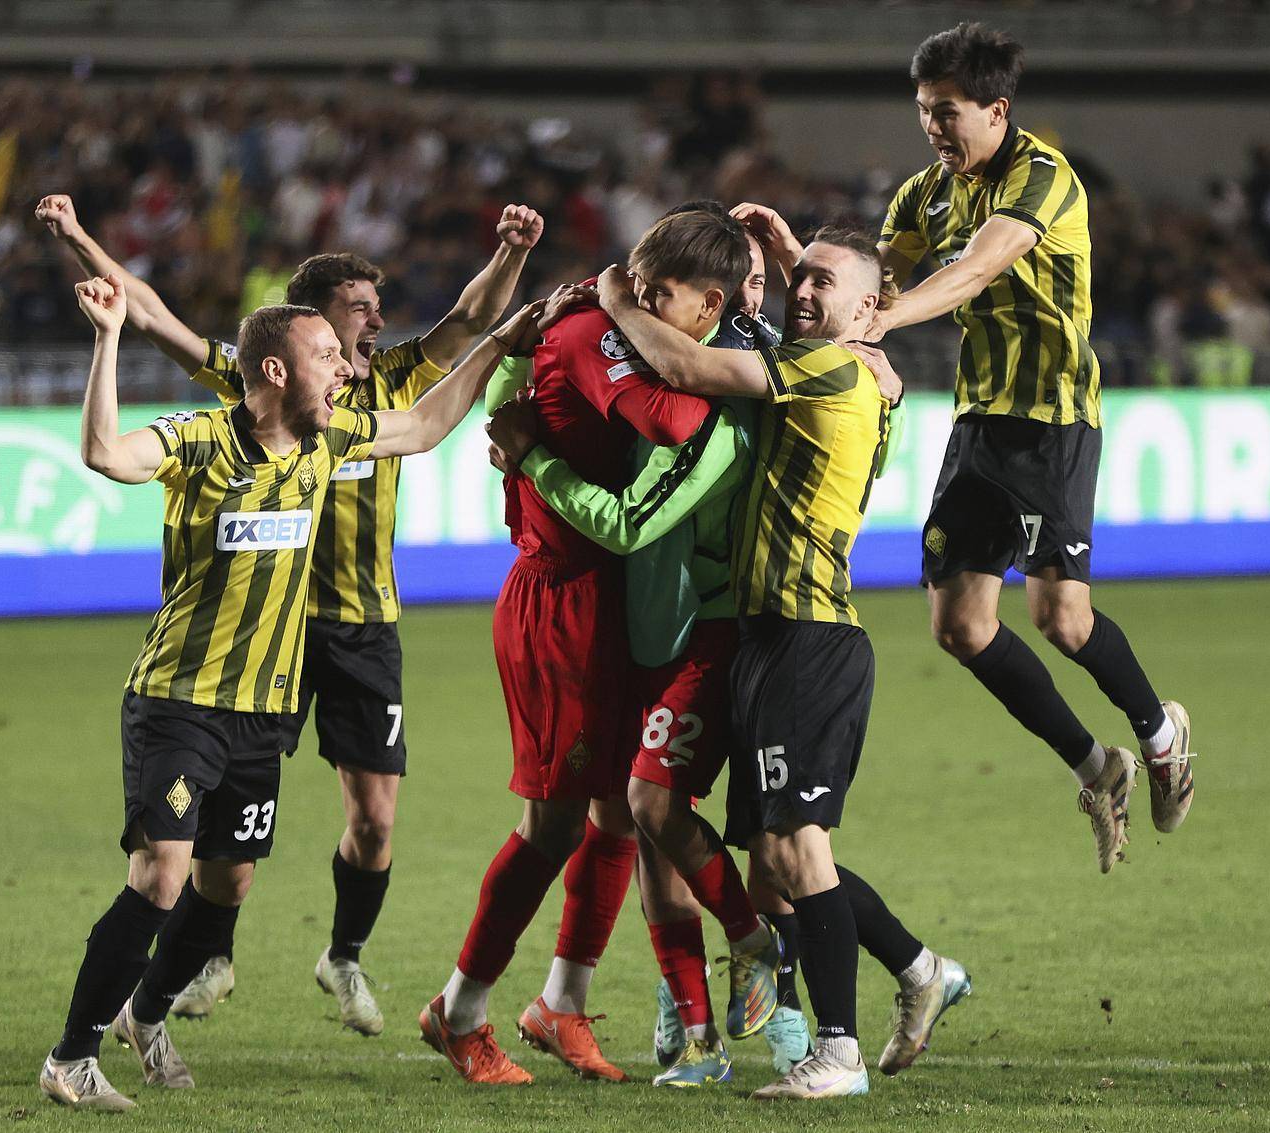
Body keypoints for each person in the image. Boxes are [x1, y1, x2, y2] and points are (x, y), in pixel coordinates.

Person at [38, 275, 545, 1111]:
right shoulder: (201, 439)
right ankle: (71, 1057)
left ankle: (145, 1013)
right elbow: (105, 454)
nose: (345, 369)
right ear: (274, 370)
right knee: (161, 873)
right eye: (326, 357)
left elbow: (422, 426)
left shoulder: (326, 442)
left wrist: (496, 344)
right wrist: (107, 340)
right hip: (180, 699)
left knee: (225, 885)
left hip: (261, 711)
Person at [593, 215, 969, 1098]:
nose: (801, 291)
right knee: (777, 863)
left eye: (819, 283)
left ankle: (837, 1052)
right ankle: (919, 970)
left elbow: (686, 367)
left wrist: (615, 298)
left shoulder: (830, 367)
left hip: (810, 637)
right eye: (798, 278)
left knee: (798, 850)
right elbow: (809, 323)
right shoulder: (852, 370)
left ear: (868, 311)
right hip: (769, 638)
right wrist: (807, 261)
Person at [418, 208, 759, 1086]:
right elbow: (672, 417)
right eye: (636, 283)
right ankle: (459, 1008)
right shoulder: (592, 328)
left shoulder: (614, 323)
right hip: (559, 600)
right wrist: (707, 358)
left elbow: (520, 390)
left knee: (615, 814)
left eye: (656, 292)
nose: (637, 301)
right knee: (554, 822)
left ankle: (561, 1002)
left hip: (611, 603)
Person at [865, 23, 1195, 872]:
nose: (932, 126)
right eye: (923, 110)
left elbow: (977, 268)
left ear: (997, 110)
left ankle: (1160, 735)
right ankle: (1097, 766)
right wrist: (803, 265)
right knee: (960, 625)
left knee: (1061, 618)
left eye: (946, 111)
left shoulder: (1042, 176)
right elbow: (872, 275)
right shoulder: (924, 194)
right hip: (980, 419)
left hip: (1053, 418)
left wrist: (887, 317)